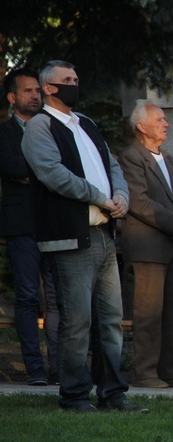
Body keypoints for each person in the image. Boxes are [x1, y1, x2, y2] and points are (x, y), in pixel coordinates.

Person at [21, 60, 146, 413]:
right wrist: (100, 197)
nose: (75, 84)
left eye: (76, 78)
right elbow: (52, 174)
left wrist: (121, 196)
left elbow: (114, 166)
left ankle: (112, 393)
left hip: (104, 235)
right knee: (78, 321)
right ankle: (75, 395)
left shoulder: (87, 124)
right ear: (48, 88)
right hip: (69, 238)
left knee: (110, 322)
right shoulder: (40, 127)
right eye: (67, 80)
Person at [119, 100, 173, 389]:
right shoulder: (131, 157)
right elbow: (138, 202)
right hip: (148, 248)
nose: (167, 123)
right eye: (160, 119)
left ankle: (170, 371)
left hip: (172, 247)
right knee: (148, 313)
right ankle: (146, 373)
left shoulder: (168, 157)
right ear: (142, 126)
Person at [0, 67, 58, 386]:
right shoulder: (4, 133)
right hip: (21, 226)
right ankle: (35, 369)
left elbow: (54, 168)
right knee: (26, 297)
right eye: (28, 91)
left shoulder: (52, 129)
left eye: (38, 90)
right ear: (13, 97)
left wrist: (32, 174)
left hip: (53, 223)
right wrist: (43, 172)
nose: (36, 96)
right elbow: (13, 166)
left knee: (57, 297)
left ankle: (60, 367)